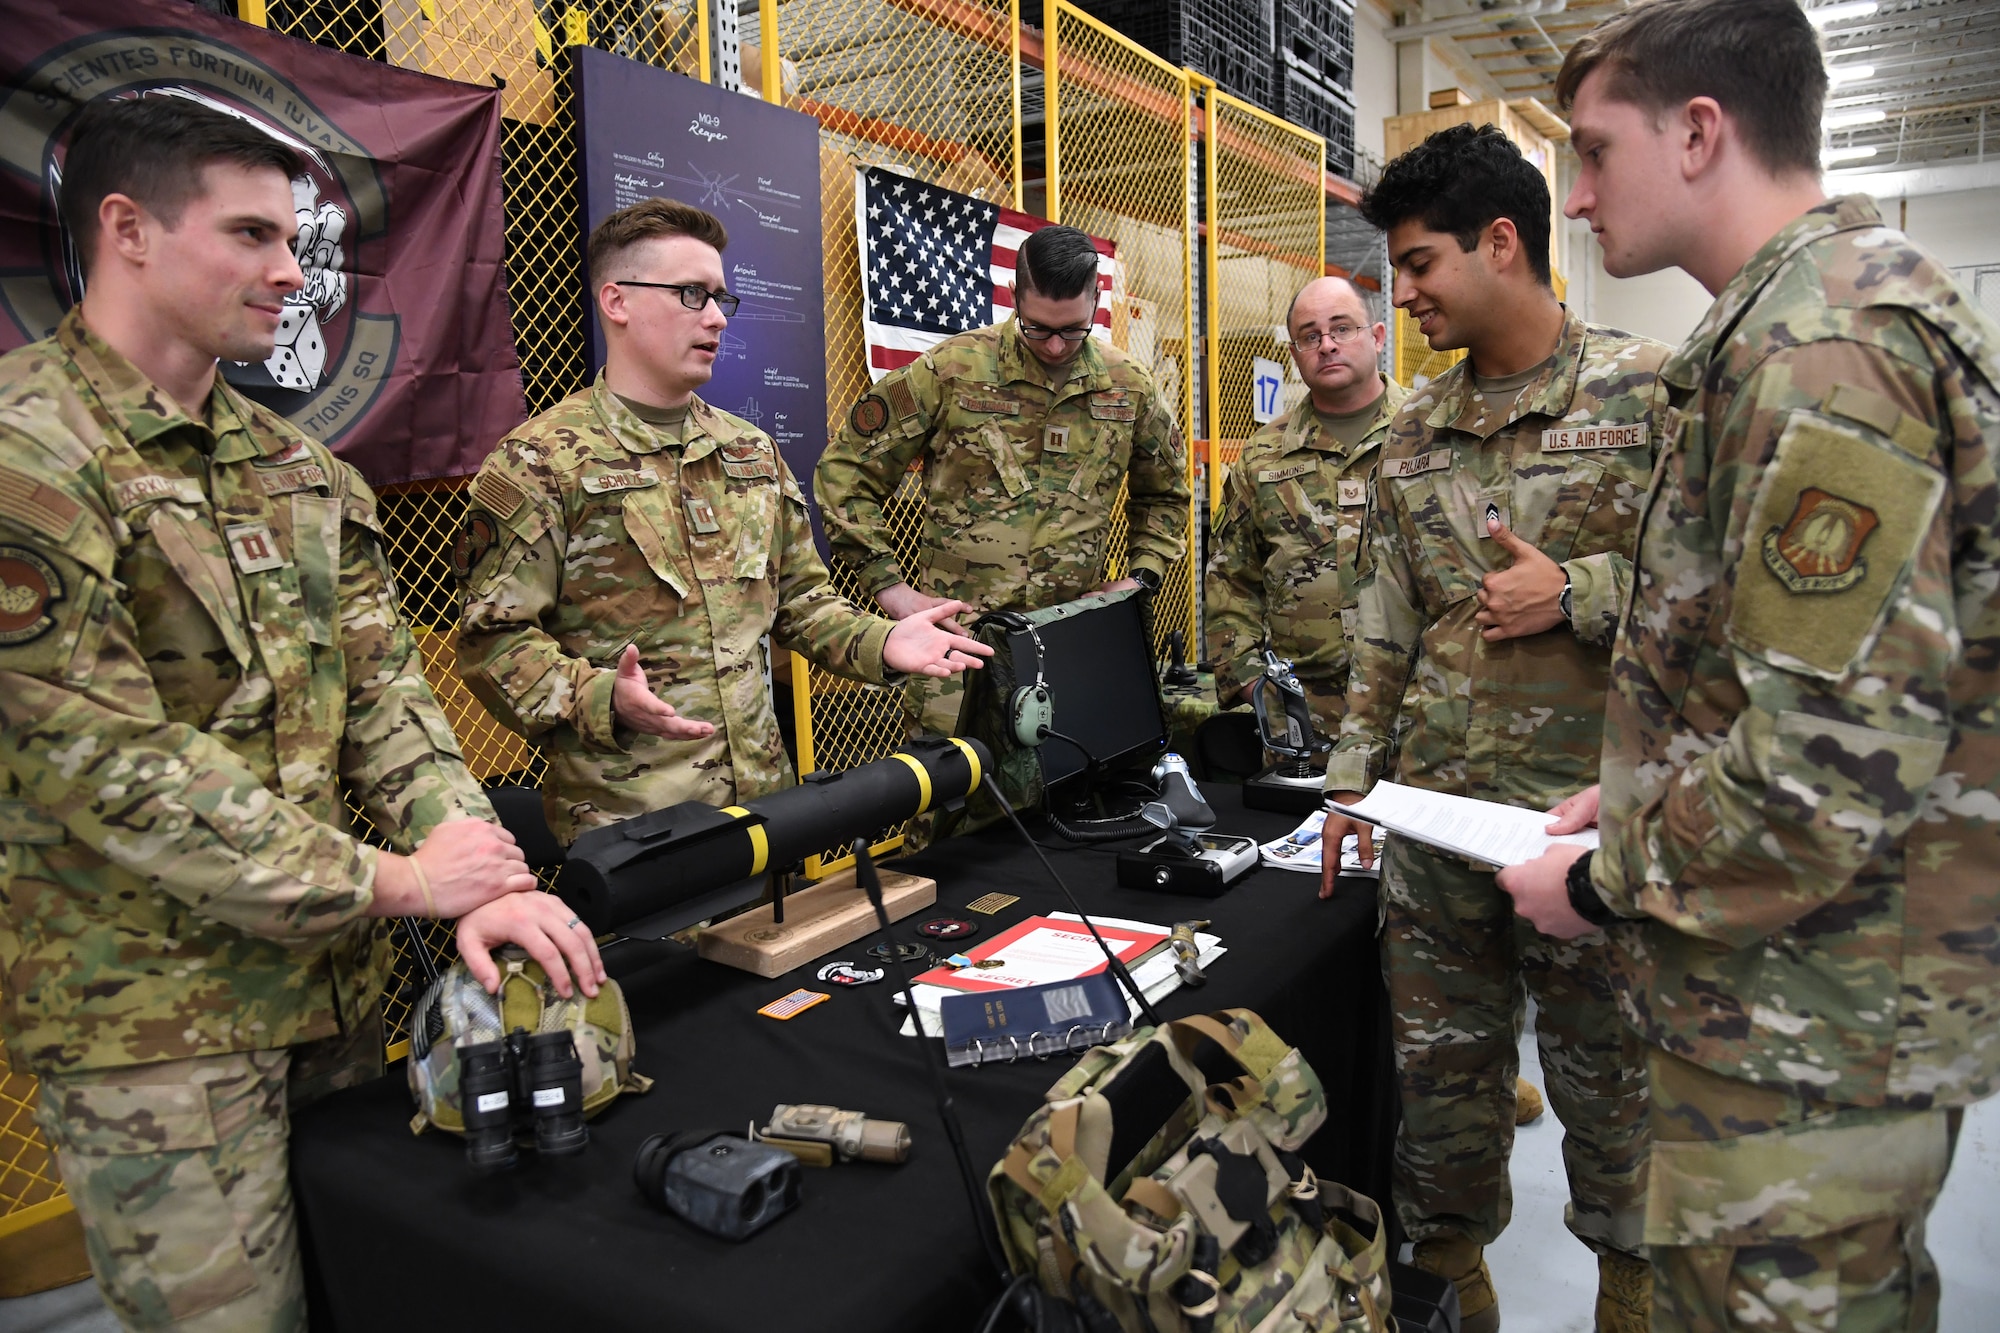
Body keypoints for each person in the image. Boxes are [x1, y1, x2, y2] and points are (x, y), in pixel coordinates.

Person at [0, 97, 596, 1333]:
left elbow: (386, 697)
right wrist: (398, 883)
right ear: (129, 230)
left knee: (363, 1290)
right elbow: (103, 761)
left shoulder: (303, 472)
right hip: (157, 1031)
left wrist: (477, 869)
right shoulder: (29, 457)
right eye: (255, 234)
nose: (292, 271)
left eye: (297, 238)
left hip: (332, 1000)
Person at [1497, 2, 2000, 1328]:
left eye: (1597, 151)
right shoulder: (1792, 333)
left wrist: (1605, 881)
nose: (1582, 195)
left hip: (1810, 1024)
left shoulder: (1821, 354)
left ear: (1702, 133)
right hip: (1788, 994)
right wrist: (1649, 785)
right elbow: (1797, 689)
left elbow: (1836, 764)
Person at [1314, 124, 1670, 1333]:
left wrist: (1578, 589)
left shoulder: (1648, 391)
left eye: (1416, 265)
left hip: (1588, 825)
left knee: (1609, 1084)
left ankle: (1628, 1287)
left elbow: (1724, 602)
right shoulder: (1409, 434)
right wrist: (1350, 781)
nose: (1396, 293)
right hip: (1437, 828)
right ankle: (1451, 1283)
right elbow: (1381, 623)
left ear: (1501, 243)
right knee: (1443, 1086)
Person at [458, 198, 989, 842]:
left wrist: (883, 641)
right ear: (617, 301)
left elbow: (801, 603)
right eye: (691, 294)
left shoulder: (750, 452)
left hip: (765, 813)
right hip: (633, 825)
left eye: (719, 298)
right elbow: (495, 641)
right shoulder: (540, 462)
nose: (715, 318)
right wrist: (600, 698)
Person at [814, 224, 1190, 734]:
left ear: (1096, 300)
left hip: (1073, 646)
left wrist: (1138, 579)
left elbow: (1165, 496)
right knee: (951, 797)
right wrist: (890, 588)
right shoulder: (952, 370)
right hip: (960, 650)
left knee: (1071, 796)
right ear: (1014, 296)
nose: (1056, 346)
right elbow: (845, 472)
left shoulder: (1129, 387)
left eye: (1073, 330)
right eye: (1038, 328)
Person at [1204, 275, 1408, 733]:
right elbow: (1230, 578)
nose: (1327, 345)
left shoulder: (1426, 434)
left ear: (1376, 337)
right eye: (1310, 336)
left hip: (1418, 708)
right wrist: (1250, 684)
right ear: (1295, 354)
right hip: (1301, 716)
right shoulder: (1263, 456)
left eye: (1342, 329)